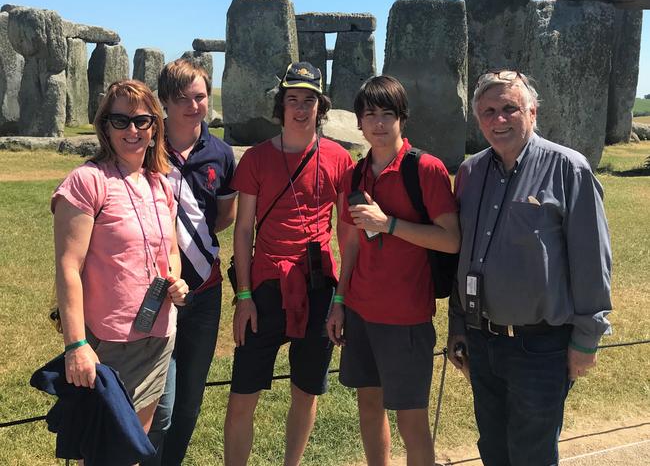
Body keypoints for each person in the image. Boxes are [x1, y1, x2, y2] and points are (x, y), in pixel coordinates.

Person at [447, 70, 612, 466]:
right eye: (488, 111)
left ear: (533, 112)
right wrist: (458, 326)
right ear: (477, 119)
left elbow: (593, 261)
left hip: (541, 347)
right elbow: (462, 256)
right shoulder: (469, 173)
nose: (498, 120)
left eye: (509, 109)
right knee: (493, 448)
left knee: (532, 454)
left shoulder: (569, 169)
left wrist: (587, 340)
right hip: (482, 340)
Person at [223, 62, 353, 466]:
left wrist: (341, 300)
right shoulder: (257, 159)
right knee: (243, 394)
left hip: (317, 287)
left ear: (321, 106)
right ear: (280, 105)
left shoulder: (338, 158)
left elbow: (347, 235)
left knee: (306, 391)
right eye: (292, 99)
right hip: (264, 287)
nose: (300, 109)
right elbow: (243, 231)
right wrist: (243, 295)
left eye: (309, 100)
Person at [326, 75, 460, 466]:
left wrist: (390, 225)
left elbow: (451, 240)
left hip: (406, 316)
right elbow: (350, 243)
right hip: (362, 312)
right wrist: (339, 301)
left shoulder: (427, 170)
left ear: (403, 118)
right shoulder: (355, 174)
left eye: (388, 114)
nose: (379, 124)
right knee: (369, 407)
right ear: (358, 121)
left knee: (411, 421)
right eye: (370, 115)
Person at [52, 80, 189, 444]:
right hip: (107, 341)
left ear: (154, 127)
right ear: (105, 127)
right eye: (120, 121)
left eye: (142, 121)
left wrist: (176, 279)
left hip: (159, 336)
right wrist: (76, 345)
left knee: (132, 445)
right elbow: (68, 266)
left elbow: (170, 252)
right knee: (102, 449)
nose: (132, 130)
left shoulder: (161, 184)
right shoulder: (87, 181)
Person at [144, 59, 237, 465]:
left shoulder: (220, 153)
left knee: (189, 403)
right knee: (156, 402)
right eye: (182, 98)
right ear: (164, 100)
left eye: (200, 96)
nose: (193, 105)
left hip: (205, 288)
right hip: (156, 290)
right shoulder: (145, 148)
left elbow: (225, 215)